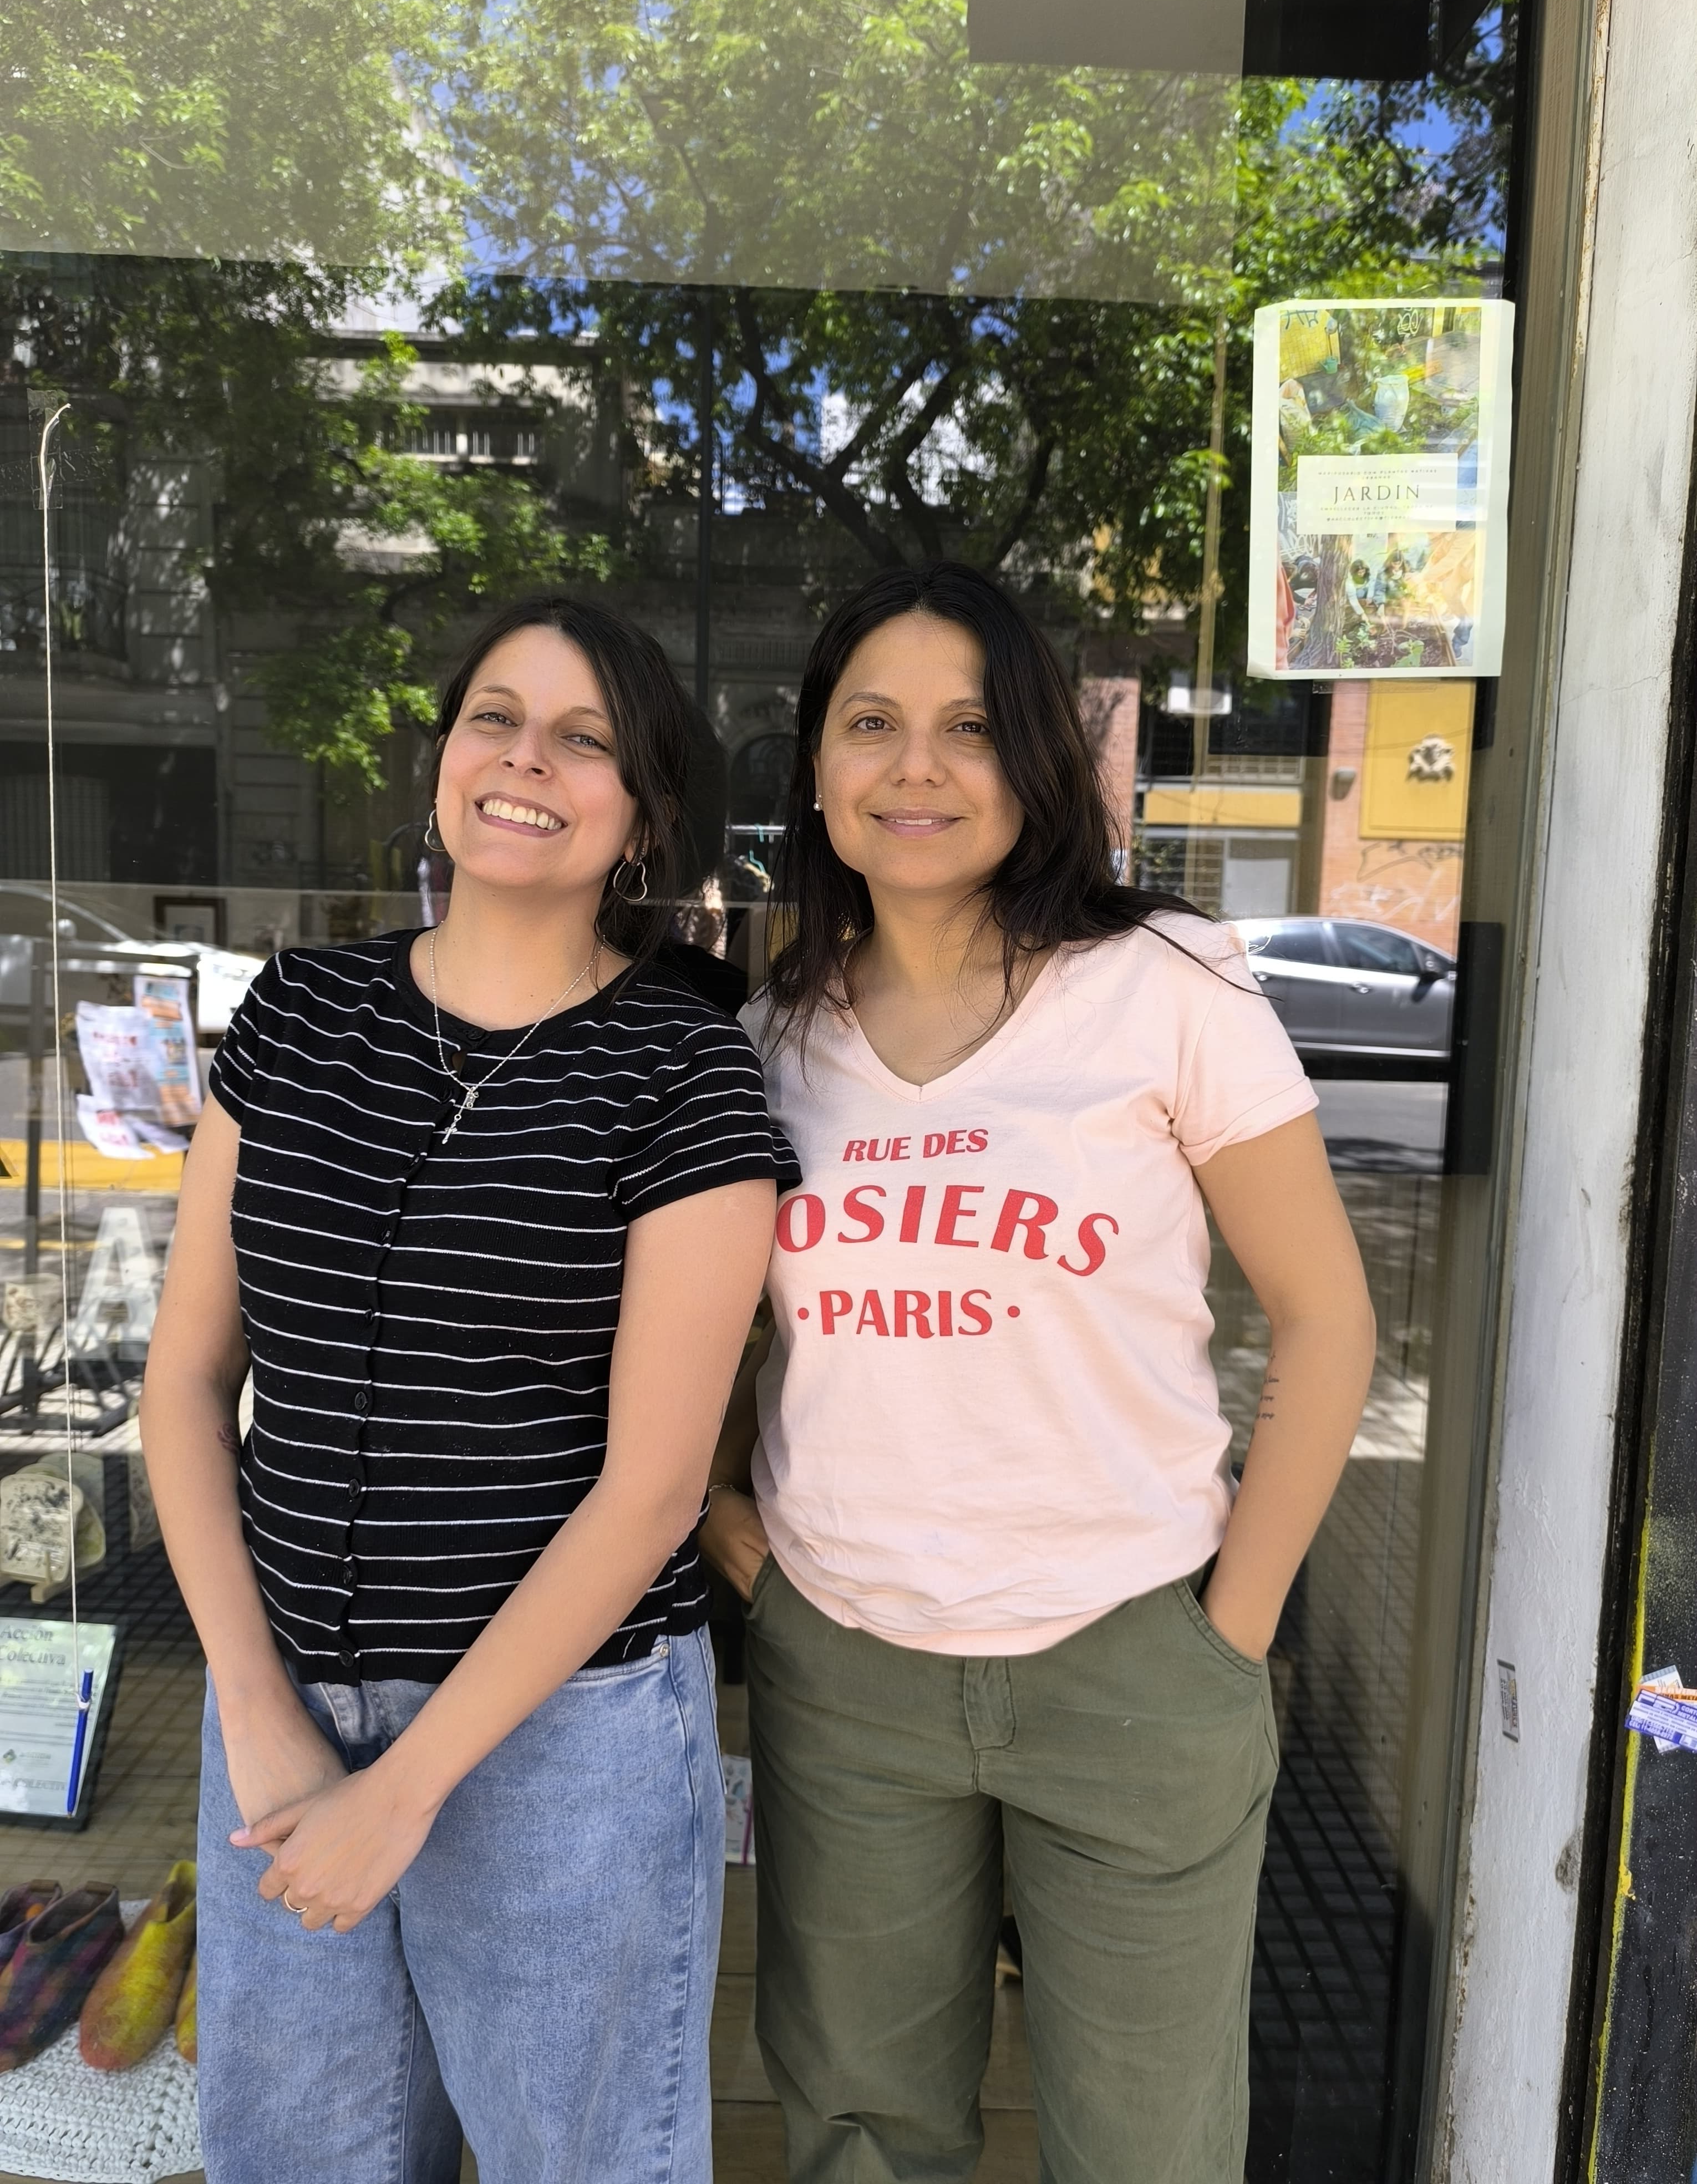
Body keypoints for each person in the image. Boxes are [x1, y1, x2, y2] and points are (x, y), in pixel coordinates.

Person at [700, 562, 1376, 2184]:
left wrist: (1232, 1634)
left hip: (1129, 1665)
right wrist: (737, 1537)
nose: (914, 768)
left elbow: (1326, 1321)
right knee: (863, 2134)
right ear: (815, 767)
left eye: (968, 728)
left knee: (1143, 2151)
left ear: (1035, 766)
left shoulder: (1169, 985)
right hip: (847, 1676)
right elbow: (704, 1333)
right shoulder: (769, 1036)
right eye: (872, 724)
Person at [141, 594, 795, 2184]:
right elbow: (182, 1390)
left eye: (584, 741)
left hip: (558, 1745)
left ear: (639, 819)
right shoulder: (296, 1017)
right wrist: (256, 1716)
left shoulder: (683, 1069)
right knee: (297, 2157)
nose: (525, 760)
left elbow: (650, 1491)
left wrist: (407, 1790)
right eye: (494, 718)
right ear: (441, 760)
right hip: (281, 1710)